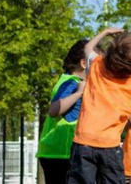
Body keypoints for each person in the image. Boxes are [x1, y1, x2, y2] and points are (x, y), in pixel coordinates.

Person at [67, 27, 131, 184]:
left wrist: (105, 32)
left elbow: (87, 48)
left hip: (84, 142)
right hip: (110, 146)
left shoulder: (96, 65)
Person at [36, 39, 91, 184]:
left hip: (58, 152)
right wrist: (78, 93)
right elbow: (54, 110)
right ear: (84, 63)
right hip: (60, 153)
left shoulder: (70, 80)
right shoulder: (72, 82)